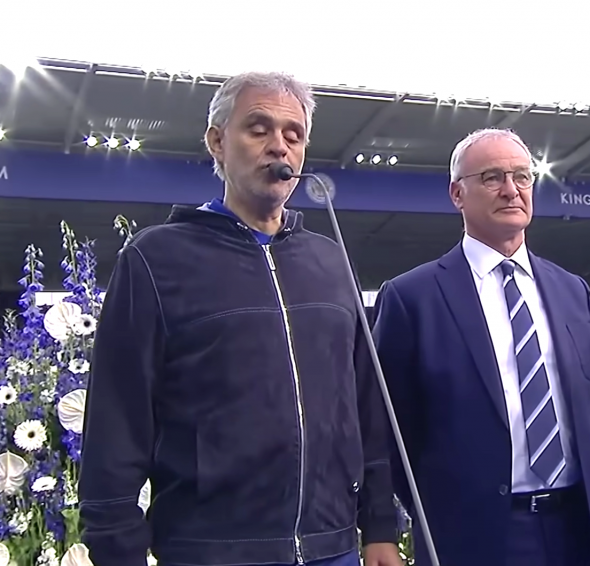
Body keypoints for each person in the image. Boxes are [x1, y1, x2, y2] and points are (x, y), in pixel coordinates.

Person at [78, 71, 403, 566]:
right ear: (216, 142)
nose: (280, 146)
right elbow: (116, 419)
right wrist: (116, 548)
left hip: (331, 547)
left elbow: (363, 403)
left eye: (294, 135)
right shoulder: (155, 258)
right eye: (258, 128)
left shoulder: (329, 261)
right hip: (210, 550)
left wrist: (380, 525)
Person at [372, 128, 590, 566]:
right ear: (457, 193)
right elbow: (386, 429)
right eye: (491, 177)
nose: (511, 190)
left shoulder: (572, 291)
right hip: (477, 536)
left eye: (522, 177)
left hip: (580, 528)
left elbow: (585, 409)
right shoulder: (412, 297)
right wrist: (403, 521)